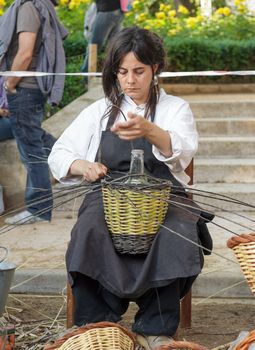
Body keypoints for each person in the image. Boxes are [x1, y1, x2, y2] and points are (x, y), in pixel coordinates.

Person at [48, 26, 213, 350]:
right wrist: (84, 166)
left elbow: (181, 151)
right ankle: (97, 323)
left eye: (139, 71)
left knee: (178, 232)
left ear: (155, 68)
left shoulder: (175, 108)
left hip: (165, 195)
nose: (130, 80)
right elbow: (60, 154)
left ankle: (155, 328)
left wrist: (149, 130)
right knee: (89, 229)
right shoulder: (101, 110)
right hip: (110, 195)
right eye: (122, 72)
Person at [0, 0, 68, 225]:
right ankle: (72, 160)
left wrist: (10, 84)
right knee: (33, 138)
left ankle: (38, 208)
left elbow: (26, 53)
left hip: (24, 89)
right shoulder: (29, 6)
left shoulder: (28, 7)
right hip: (27, 89)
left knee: (31, 153)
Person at [81, 0, 124, 76]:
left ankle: (85, 75)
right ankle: (113, 75)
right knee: (115, 46)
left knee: (94, 44)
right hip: (118, 11)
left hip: (106, 10)